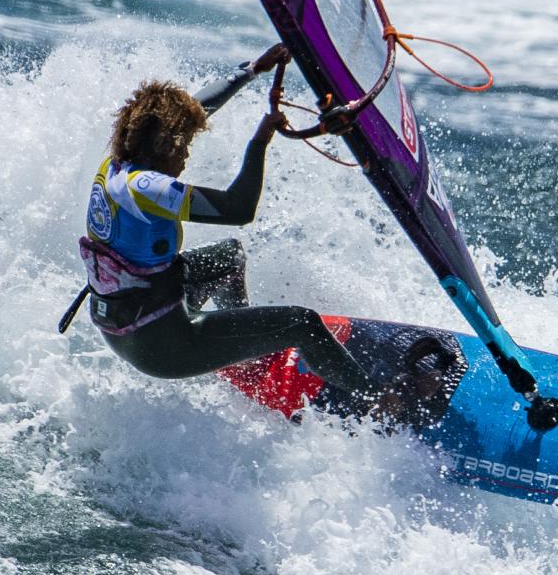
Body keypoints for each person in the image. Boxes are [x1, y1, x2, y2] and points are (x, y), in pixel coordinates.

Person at [62, 43, 374, 397]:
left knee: (229, 257)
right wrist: (259, 143)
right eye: (183, 147)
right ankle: (382, 403)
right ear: (166, 145)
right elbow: (238, 209)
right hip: (164, 348)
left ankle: (245, 355)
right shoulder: (148, 189)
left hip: (127, 322)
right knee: (303, 323)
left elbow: (194, 112)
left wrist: (253, 70)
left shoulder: (120, 163)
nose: (186, 154)